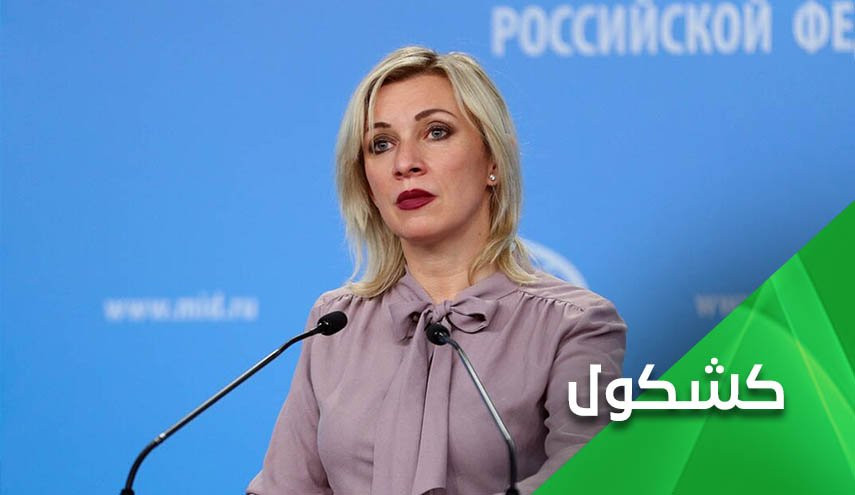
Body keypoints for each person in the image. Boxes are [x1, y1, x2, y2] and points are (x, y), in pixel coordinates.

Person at [247, 46, 626, 495]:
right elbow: (285, 486)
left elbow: (586, 482)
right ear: (366, 182)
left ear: (493, 161)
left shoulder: (575, 325)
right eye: (381, 144)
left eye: (436, 132)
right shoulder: (336, 324)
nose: (405, 163)